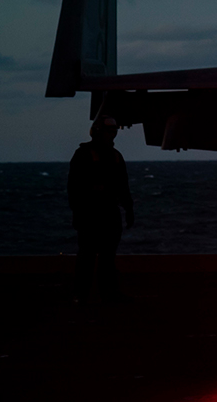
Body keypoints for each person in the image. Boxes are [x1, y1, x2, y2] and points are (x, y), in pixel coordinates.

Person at [68, 115, 134, 304]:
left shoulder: (116, 156)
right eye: (109, 131)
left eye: (113, 131)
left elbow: (123, 186)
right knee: (87, 255)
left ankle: (108, 293)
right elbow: (74, 188)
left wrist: (129, 209)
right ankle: (81, 294)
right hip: (90, 212)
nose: (112, 135)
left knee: (108, 257)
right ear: (98, 131)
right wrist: (77, 213)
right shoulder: (83, 155)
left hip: (109, 212)